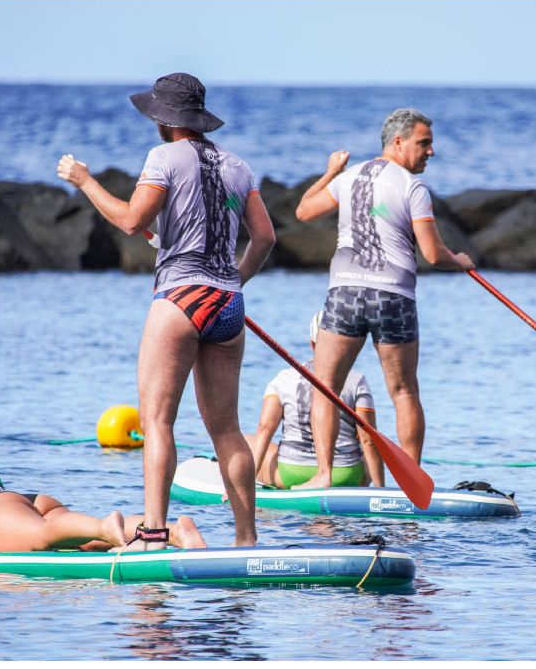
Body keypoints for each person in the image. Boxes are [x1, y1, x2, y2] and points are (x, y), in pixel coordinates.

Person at [57, 72, 275, 548]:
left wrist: (85, 181)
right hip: (228, 304)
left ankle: (154, 532)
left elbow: (131, 220)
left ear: (164, 119)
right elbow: (264, 238)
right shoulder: (239, 166)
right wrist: (234, 281)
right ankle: (246, 539)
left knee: (157, 421)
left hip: (179, 298)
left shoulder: (163, 157)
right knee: (228, 430)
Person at [292, 109, 473, 489]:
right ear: (398, 141)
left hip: (345, 293)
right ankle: (413, 481)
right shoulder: (412, 187)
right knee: (404, 391)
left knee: (326, 387)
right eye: (424, 143)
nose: (431, 151)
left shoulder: (348, 177)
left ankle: (323, 475)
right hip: (393, 297)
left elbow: (303, 211)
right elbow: (434, 254)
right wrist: (459, 261)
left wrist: (330, 172)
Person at [0, 403, 205, 553]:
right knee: (82, 539)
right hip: (22, 502)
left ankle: (104, 527)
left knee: (47, 534)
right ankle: (174, 531)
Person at [246, 312, 384, 489]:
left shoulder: (283, 379)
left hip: (292, 473)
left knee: (247, 440)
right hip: (346, 475)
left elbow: (265, 428)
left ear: (312, 343)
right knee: (370, 453)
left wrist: (249, 479)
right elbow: (368, 441)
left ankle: (247, 480)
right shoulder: (357, 381)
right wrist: (380, 490)